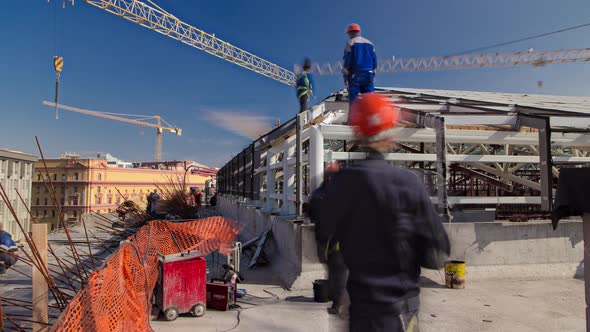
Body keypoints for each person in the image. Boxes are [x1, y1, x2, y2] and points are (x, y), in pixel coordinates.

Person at [316, 93, 450, 332]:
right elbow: (436, 253)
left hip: (360, 311)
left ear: (357, 132)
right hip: (401, 310)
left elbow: (323, 235)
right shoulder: (409, 183)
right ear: (390, 133)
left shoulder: (342, 183)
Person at [309, 163, 348, 315]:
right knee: (339, 271)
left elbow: (311, 215)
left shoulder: (318, 194)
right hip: (339, 240)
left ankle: (335, 299)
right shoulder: (344, 194)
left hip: (323, 239)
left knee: (333, 269)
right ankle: (337, 301)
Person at [342, 23, 377, 108]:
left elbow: (347, 60)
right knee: (370, 99)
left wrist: (345, 77)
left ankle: (353, 120)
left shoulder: (350, 43)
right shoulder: (370, 43)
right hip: (369, 74)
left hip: (355, 74)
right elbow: (374, 61)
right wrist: (373, 74)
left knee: (354, 100)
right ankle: (371, 118)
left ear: (350, 33)